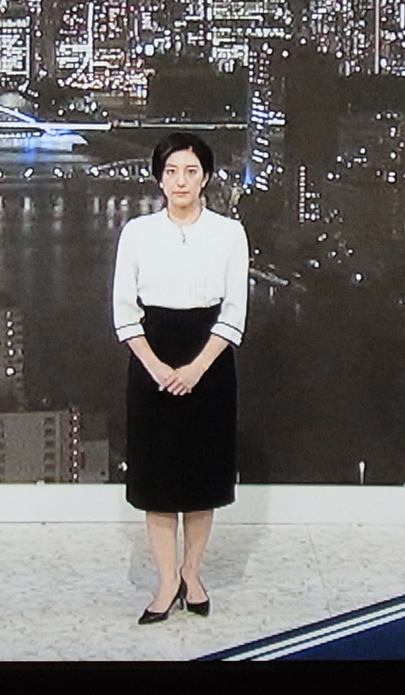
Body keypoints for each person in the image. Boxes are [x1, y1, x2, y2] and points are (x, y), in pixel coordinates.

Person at [113, 132, 249, 624]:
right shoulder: (137, 232)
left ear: (206, 177)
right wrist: (157, 368)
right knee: (157, 481)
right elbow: (124, 311)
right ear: (159, 178)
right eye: (171, 172)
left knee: (200, 480)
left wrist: (195, 369)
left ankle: (192, 573)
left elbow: (234, 311)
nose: (181, 181)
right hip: (151, 358)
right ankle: (167, 580)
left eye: (191, 171)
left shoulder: (230, 233)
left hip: (209, 362)